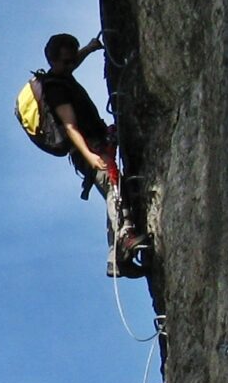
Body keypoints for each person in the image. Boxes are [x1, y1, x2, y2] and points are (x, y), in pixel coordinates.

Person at [27, 33, 145, 275]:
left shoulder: (61, 74)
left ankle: (115, 260)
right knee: (114, 187)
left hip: (97, 140)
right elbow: (70, 127)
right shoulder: (56, 89)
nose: (71, 65)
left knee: (115, 186)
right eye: (67, 62)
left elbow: (71, 63)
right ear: (53, 61)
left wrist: (89, 49)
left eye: (72, 60)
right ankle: (125, 238)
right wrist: (90, 157)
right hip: (89, 148)